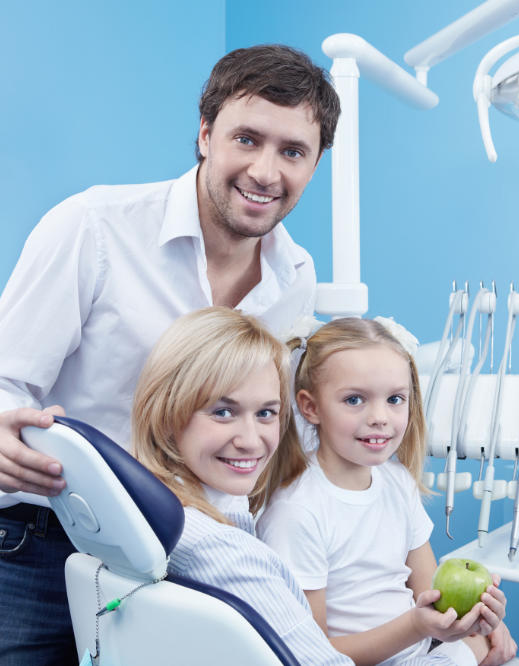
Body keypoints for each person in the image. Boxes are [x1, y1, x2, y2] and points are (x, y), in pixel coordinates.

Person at [0, 44, 340, 664]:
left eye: (293, 151)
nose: (266, 171)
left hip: (184, 545)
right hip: (43, 540)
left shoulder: (295, 275)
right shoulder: (94, 228)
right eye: (247, 139)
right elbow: (5, 384)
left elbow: (260, 422)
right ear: (206, 135)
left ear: (316, 164)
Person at [258, 318, 518, 666]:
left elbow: (433, 597)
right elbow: (312, 655)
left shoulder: (396, 482)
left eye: (395, 399)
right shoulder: (298, 510)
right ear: (311, 407)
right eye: (354, 400)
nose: (380, 417)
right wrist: (417, 626)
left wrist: (475, 621)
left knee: (487, 646)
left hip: (420, 652)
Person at [132, 306, 353, 665]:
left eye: (266, 413)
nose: (251, 441)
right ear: (166, 413)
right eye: (223, 411)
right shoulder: (220, 550)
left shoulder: (136, 511)